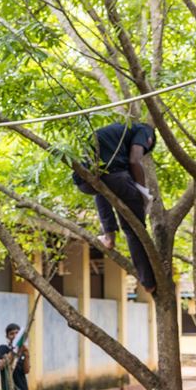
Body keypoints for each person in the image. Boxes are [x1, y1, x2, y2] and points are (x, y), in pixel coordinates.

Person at [73, 121, 158, 292]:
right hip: (115, 177)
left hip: (85, 181)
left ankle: (109, 237)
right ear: (149, 141)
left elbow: (100, 179)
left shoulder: (112, 132)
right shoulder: (144, 131)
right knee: (134, 229)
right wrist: (142, 191)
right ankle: (149, 282)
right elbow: (134, 160)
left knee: (101, 189)